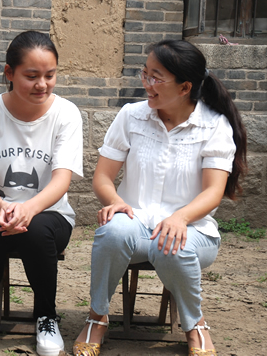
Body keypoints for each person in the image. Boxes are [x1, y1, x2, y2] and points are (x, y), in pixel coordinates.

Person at [72, 40, 247, 356]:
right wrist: (116, 202)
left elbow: (213, 191)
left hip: (193, 230)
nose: (147, 84)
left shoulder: (213, 125)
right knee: (113, 231)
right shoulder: (131, 116)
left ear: (184, 87)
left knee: (171, 245)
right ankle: (97, 316)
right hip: (136, 223)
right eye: (145, 74)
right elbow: (103, 177)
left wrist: (180, 217)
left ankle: (195, 324)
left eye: (156, 78)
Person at [0, 31, 83, 356]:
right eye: (31, 76)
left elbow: (61, 181)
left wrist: (28, 209)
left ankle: (46, 316)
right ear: (9, 73)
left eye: (50, 75)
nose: (42, 84)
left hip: (51, 214)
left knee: (38, 229)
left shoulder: (66, 114)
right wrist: (5, 207)